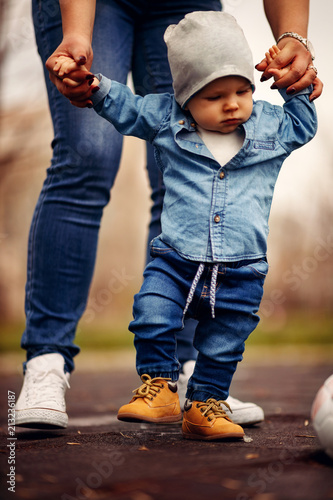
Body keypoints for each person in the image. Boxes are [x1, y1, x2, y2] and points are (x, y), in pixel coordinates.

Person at [15, 0, 321, 430]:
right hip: (175, 259)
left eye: (242, 91)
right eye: (215, 96)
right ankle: (72, 366)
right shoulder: (166, 118)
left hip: (242, 269)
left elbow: (303, 124)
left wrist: (297, 77)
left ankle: (202, 396)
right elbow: (127, 106)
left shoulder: (269, 128)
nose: (232, 105)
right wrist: (93, 81)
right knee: (150, 307)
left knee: (226, 339)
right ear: (186, 102)